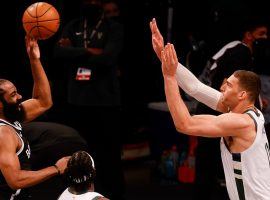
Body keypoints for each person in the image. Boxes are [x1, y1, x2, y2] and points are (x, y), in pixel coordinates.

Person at [150, 17, 268, 199]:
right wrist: (163, 56)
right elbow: (195, 88)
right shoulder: (248, 112)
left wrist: (169, 77)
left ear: (242, 95)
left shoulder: (242, 122)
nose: (221, 87)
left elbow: (185, 124)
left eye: (228, 85)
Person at [54, 0, 125, 199]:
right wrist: (89, 51)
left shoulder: (114, 28)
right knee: (81, 150)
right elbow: (58, 52)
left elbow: (108, 57)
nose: (91, 4)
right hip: (78, 100)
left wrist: (74, 50)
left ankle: (112, 194)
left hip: (106, 101)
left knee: (109, 153)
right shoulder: (74, 26)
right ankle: (81, 192)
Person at [0, 37, 69, 199]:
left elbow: (43, 101)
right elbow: (15, 180)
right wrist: (56, 169)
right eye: (13, 95)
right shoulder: (3, 134)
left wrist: (34, 59)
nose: (20, 96)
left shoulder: (11, 115)